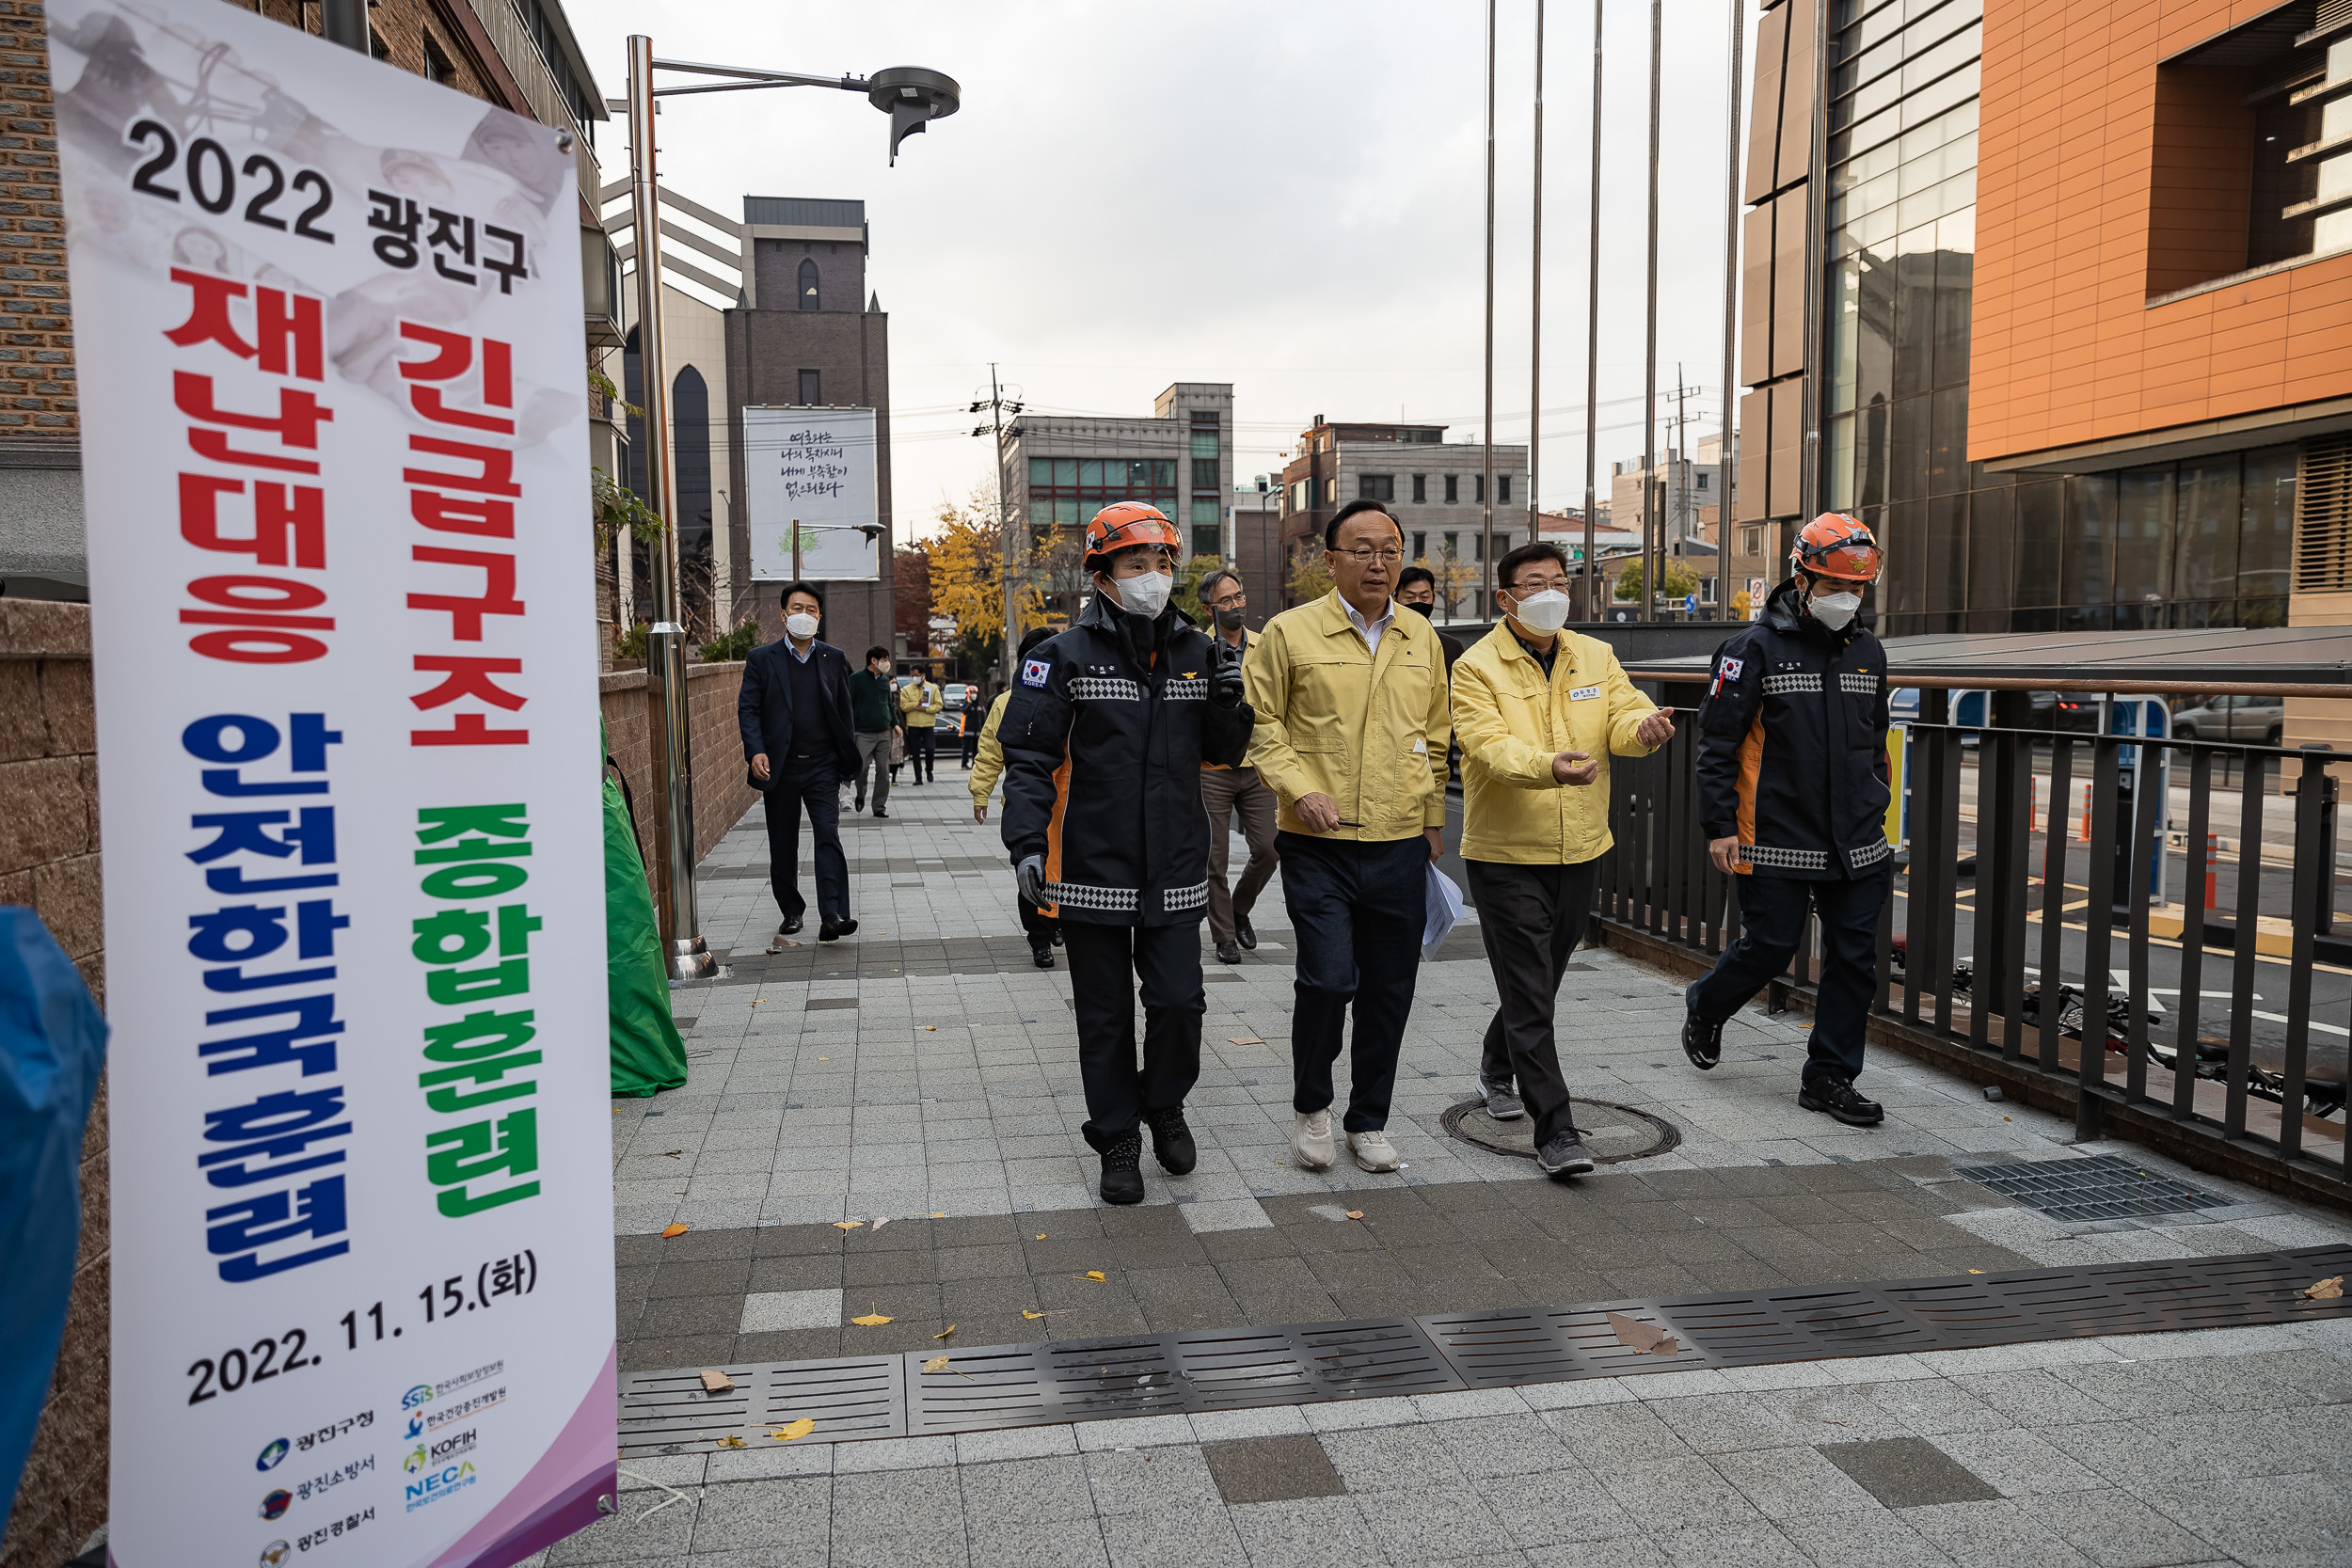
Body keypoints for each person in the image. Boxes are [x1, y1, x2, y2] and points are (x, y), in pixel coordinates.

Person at [999, 503, 1252, 1204]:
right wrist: (1026, 846)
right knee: (1104, 1014)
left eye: (1163, 563)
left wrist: (1233, 707)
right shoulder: (1059, 658)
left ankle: (1164, 1101)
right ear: (1102, 573)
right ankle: (1117, 1136)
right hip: (1091, 871)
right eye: (1136, 563)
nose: (1153, 576)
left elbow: (1223, 754)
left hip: (1174, 868)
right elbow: (1027, 759)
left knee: (1179, 1003)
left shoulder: (1202, 652)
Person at [1452, 541, 1677, 1176]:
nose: (1550, 592)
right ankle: (1557, 1131)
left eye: (1559, 581)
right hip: (1504, 852)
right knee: (1529, 990)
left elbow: (1624, 717)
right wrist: (1547, 766)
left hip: (1580, 846)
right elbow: (1487, 746)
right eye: (1534, 583)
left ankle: (1497, 1063)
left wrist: (1644, 731)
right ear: (1506, 598)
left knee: (1541, 980)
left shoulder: (1595, 655)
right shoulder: (1475, 668)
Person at [1246, 499, 1452, 1176]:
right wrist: (1298, 787)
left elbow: (1437, 734)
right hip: (1316, 841)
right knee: (1328, 980)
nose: (1378, 561)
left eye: (1389, 548)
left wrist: (1431, 821)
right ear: (1329, 560)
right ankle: (1312, 1106)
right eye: (1361, 549)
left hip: (1398, 842)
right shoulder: (1288, 632)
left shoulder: (1420, 636)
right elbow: (1262, 724)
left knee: (1390, 990)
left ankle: (1368, 1120)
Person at [1684, 512, 1893, 1127]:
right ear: (1801, 580)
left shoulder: (1870, 653)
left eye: (1856, 589)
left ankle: (1829, 1076)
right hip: (1773, 834)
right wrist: (1719, 825)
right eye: (1834, 587)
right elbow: (1716, 743)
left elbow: (1875, 740)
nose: (1846, 600)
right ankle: (1707, 1002)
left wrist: (1875, 805)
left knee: (1854, 960)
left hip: (1857, 840)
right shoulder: (1751, 650)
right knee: (1769, 947)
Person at [738, 583, 862, 945]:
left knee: (828, 835)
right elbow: (748, 708)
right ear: (783, 614)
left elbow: (844, 711)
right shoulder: (762, 658)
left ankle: (833, 914)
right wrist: (755, 750)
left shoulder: (834, 657)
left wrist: (845, 762)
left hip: (823, 765)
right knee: (783, 842)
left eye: (811, 609)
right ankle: (791, 910)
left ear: (819, 617)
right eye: (797, 608)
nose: (803, 615)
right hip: (780, 767)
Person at [1195, 568, 1280, 967]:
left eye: (1239, 597)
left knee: (1269, 848)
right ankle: (1224, 935)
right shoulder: (1197, 650)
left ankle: (1239, 908)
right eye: (1225, 601)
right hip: (1212, 767)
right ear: (1208, 607)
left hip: (1258, 762)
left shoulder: (1266, 646)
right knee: (1214, 857)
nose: (1235, 606)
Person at [971, 630, 1063, 969]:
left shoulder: (1074, 697)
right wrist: (981, 792)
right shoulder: (1006, 702)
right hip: (1027, 805)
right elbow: (990, 752)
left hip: (1069, 807)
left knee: (1063, 871)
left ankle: (1055, 922)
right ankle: (1039, 939)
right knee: (1032, 868)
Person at [847, 645, 901, 818]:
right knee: (861, 769)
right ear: (873, 660)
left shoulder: (885, 681)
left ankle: (879, 806)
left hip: (884, 732)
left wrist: (896, 724)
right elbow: (847, 703)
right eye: (884, 659)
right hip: (863, 733)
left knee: (883, 772)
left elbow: (889, 705)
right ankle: (860, 794)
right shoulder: (856, 679)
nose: (887, 663)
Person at [1395, 565, 1465, 670]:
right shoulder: (1387, 644)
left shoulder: (1452, 647)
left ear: (1433, 599)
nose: (1417, 602)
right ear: (1395, 600)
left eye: (1424, 597)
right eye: (1410, 598)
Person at [898, 662, 943, 784]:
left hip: (928, 723)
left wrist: (927, 709)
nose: (914, 678)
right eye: (912, 675)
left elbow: (939, 704)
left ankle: (929, 770)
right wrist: (916, 705)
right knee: (915, 752)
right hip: (913, 724)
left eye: (916, 675)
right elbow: (903, 706)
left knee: (930, 748)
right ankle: (918, 777)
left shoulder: (932, 688)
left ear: (923, 675)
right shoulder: (907, 689)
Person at [960, 680, 989, 769]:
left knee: (976, 750)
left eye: (974, 693)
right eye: (971, 692)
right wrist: (969, 703)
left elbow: (983, 718)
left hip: (977, 732)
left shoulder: (980, 705)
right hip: (967, 731)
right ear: (967, 694)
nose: (973, 694)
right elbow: (965, 712)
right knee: (965, 749)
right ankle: (964, 765)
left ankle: (974, 765)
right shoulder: (964, 704)